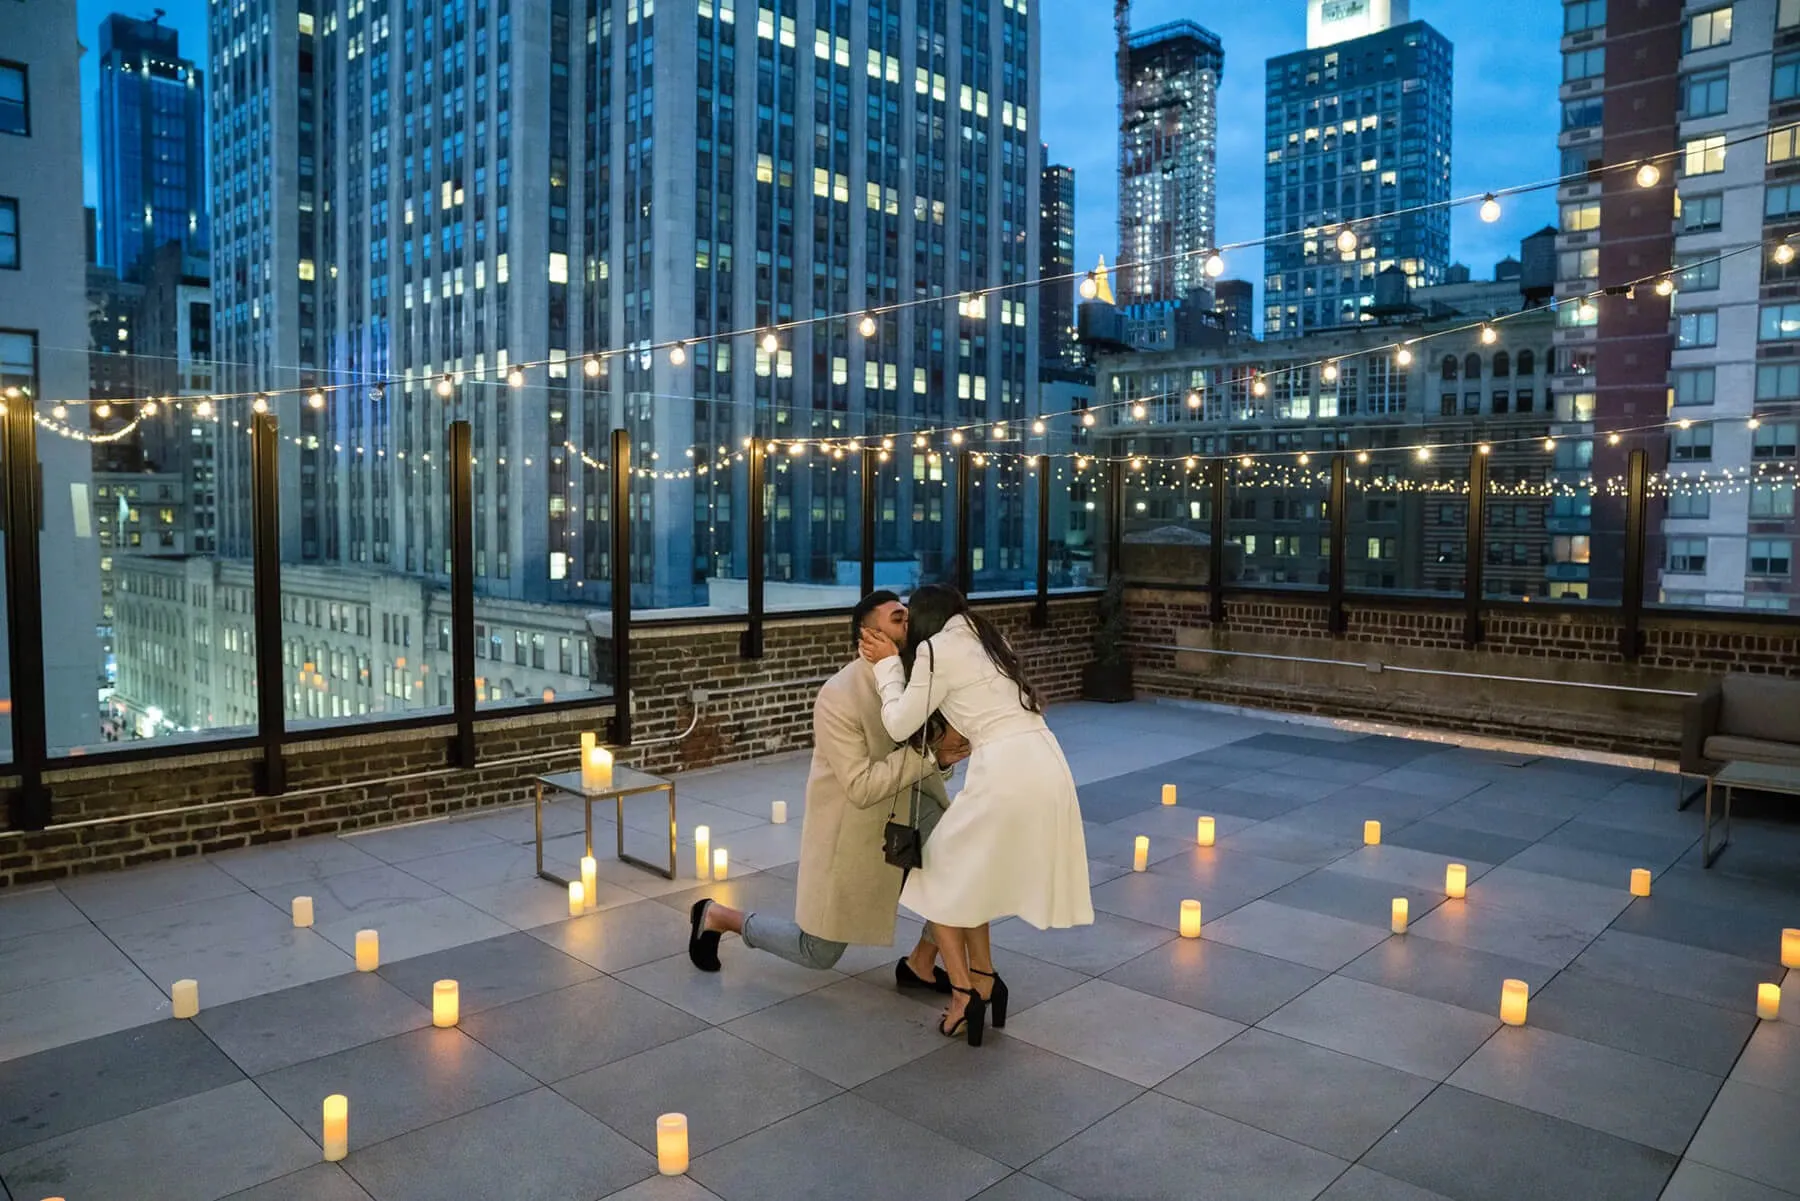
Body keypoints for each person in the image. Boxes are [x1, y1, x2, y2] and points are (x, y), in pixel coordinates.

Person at [688, 591, 970, 990]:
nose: (908, 624)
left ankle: (920, 964)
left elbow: (931, 756)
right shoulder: (839, 696)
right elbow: (860, 787)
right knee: (817, 952)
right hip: (856, 827)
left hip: (913, 806)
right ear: (868, 635)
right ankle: (718, 916)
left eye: (908, 617)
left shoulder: (917, 677)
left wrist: (945, 757)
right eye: (896, 619)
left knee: (965, 864)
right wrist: (930, 755)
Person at [860, 583, 1093, 1046]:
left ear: (926, 619)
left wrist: (887, 666)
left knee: (936, 877)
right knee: (969, 879)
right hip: (1045, 758)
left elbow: (898, 723)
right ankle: (984, 979)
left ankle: (965, 995)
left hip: (1005, 771)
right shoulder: (990, 639)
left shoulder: (935, 649)